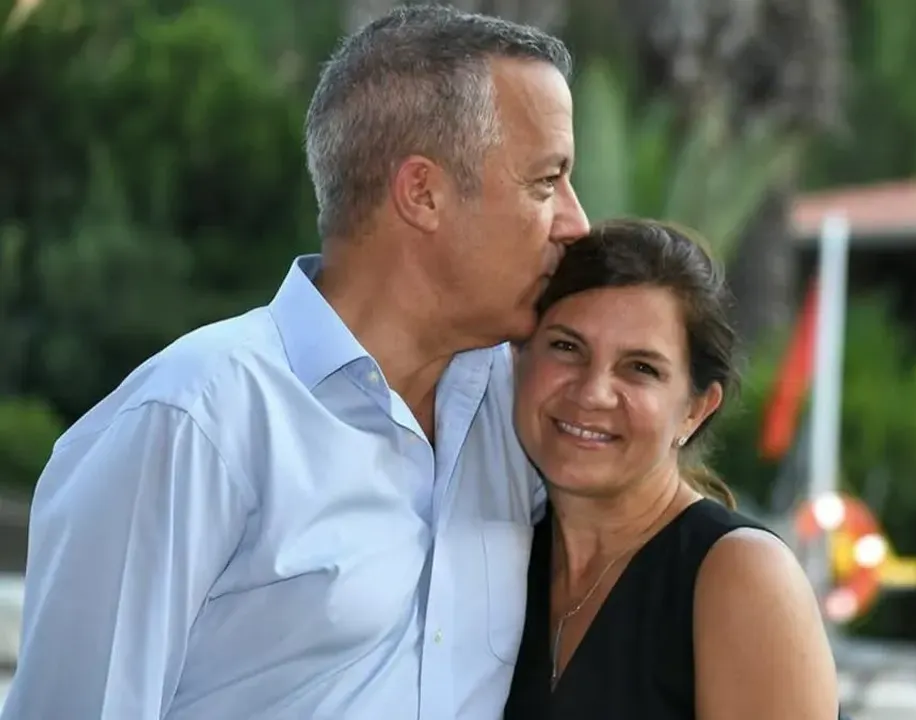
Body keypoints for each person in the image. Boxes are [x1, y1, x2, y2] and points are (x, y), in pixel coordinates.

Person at [2, 5, 588, 720]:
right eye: (546, 182)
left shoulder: (528, 411)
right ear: (423, 193)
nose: (576, 222)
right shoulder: (193, 423)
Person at [502, 219, 840, 720]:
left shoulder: (741, 577)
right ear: (520, 358)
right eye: (567, 347)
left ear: (696, 410)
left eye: (641, 368)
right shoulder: (497, 557)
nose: (592, 392)